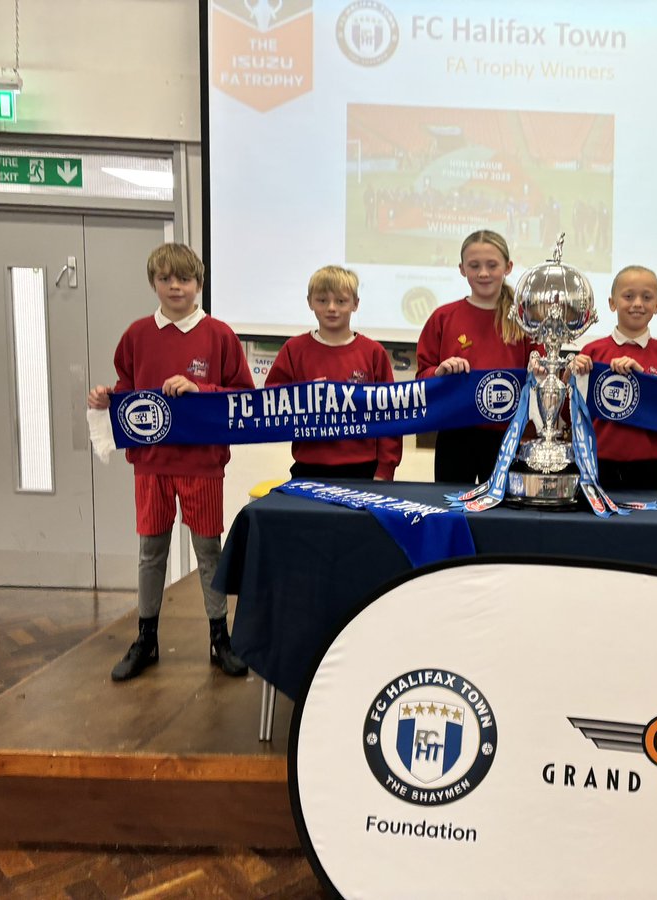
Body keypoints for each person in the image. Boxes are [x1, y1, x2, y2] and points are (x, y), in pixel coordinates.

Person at [87, 243, 254, 682]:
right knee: (151, 552)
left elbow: (243, 398)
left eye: (184, 278)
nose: (175, 286)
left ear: (199, 283)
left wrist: (201, 390)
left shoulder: (219, 335)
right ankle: (146, 638)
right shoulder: (137, 334)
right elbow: (127, 383)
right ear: (153, 284)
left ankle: (220, 638)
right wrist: (107, 398)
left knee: (208, 552)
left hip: (201, 462)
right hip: (151, 464)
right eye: (165, 278)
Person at [416, 230, 535, 483]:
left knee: (505, 517)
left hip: (509, 436)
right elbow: (422, 378)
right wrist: (439, 373)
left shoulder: (526, 321)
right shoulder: (443, 318)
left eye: (492, 265)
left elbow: (541, 379)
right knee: (452, 510)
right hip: (455, 435)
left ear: (508, 267)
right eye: (474, 266)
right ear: (462, 269)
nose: (483, 273)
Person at [266, 266, 401, 480]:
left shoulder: (373, 352)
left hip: (364, 469)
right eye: (322, 300)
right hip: (308, 467)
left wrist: (385, 469)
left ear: (355, 304)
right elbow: (272, 402)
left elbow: (391, 414)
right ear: (309, 302)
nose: (331, 308)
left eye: (340, 301)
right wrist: (305, 395)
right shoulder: (294, 349)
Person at [569, 265, 657, 491]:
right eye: (629, 296)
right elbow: (572, 412)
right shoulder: (591, 351)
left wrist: (643, 381)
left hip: (647, 465)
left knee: (643, 526)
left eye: (647, 297)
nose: (638, 304)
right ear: (612, 303)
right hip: (596, 461)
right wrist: (569, 377)